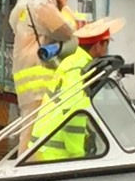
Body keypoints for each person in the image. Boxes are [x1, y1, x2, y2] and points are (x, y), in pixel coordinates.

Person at [28, 17, 125, 161]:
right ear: (98, 45)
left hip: (47, 146)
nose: (106, 50)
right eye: (106, 44)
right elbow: (73, 115)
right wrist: (78, 156)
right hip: (57, 152)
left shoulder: (73, 62)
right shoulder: (81, 70)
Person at [9, 0, 78, 150]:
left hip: (22, 74)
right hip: (39, 75)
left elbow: (13, 25)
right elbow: (68, 31)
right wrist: (64, 6)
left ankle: (26, 166)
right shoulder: (44, 5)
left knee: (28, 122)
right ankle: (26, 170)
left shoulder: (23, 1)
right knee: (35, 129)